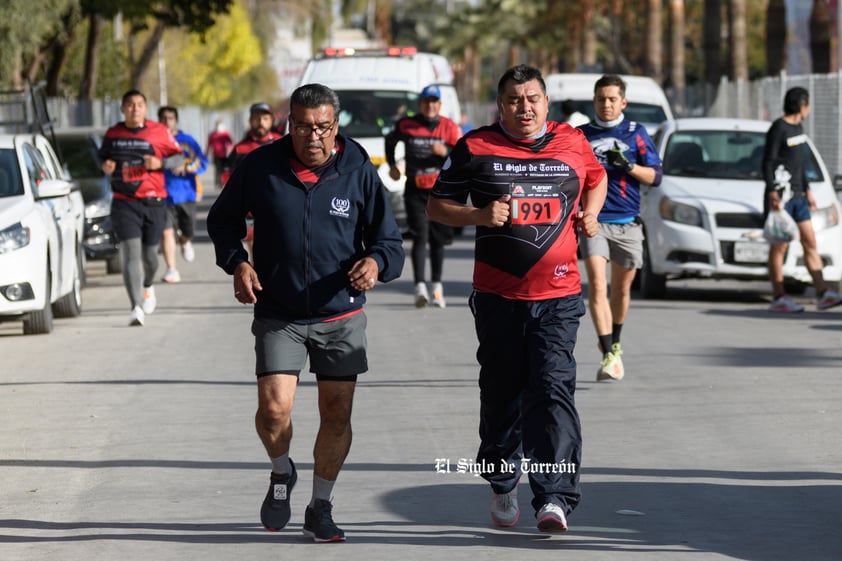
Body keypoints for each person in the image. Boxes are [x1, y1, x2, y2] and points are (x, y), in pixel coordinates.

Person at [207, 83, 404, 543]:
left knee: (336, 413)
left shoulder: (357, 167)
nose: (313, 137)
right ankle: (281, 473)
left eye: (323, 127)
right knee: (274, 411)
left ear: (336, 125)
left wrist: (376, 263)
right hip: (280, 311)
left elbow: (389, 241)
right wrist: (237, 263)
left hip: (340, 314)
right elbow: (222, 223)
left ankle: (321, 505)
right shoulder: (260, 166)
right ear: (287, 124)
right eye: (302, 127)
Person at [427, 65, 607, 533]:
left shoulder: (573, 141)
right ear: (500, 105)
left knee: (552, 391)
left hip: (560, 296)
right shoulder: (474, 146)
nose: (524, 108)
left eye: (532, 99)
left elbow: (597, 177)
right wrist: (479, 214)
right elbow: (436, 205)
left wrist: (590, 213)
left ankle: (554, 498)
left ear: (546, 103)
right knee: (503, 395)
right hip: (498, 297)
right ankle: (504, 481)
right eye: (513, 100)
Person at [578, 74, 663, 382]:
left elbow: (656, 176)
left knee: (622, 289)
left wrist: (628, 166)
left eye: (613, 99)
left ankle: (615, 341)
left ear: (623, 102)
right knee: (598, 286)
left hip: (627, 224)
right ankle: (608, 353)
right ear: (594, 101)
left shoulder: (636, 133)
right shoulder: (581, 135)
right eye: (601, 99)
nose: (607, 104)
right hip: (594, 221)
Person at [98, 89, 184, 326]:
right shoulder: (113, 134)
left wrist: (161, 162)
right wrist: (105, 166)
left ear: (145, 109)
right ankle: (135, 306)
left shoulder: (159, 131)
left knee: (150, 258)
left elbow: (179, 158)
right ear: (122, 108)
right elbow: (102, 158)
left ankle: (147, 285)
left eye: (139, 105)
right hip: (124, 202)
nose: (135, 109)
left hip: (154, 202)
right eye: (130, 105)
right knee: (131, 254)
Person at [763, 87, 842, 312]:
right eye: (807, 104)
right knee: (780, 246)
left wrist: (807, 190)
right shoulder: (778, 128)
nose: (809, 109)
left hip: (799, 196)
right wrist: (772, 192)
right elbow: (767, 162)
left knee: (810, 241)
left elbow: (799, 164)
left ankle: (822, 292)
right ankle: (779, 295)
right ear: (801, 105)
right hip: (782, 197)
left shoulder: (798, 128)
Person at [385, 84, 462, 307]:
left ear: (439, 105)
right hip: (415, 191)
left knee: (438, 240)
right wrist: (392, 165)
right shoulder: (407, 124)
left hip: (441, 192)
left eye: (434, 102)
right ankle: (420, 287)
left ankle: (437, 285)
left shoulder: (449, 127)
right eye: (427, 102)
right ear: (420, 104)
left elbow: (463, 156)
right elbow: (390, 141)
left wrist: (446, 152)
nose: (430, 106)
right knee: (420, 236)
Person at [223, 103, 283, 258]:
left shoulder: (283, 144)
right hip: (251, 209)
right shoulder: (240, 149)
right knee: (257, 250)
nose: (261, 122)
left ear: (272, 120)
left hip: (279, 204)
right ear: (250, 121)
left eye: (265, 118)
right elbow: (227, 176)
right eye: (257, 118)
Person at [157, 106, 208, 283]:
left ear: (176, 120)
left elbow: (202, 162)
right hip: (163, 194)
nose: (167, 121)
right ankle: (171, 269)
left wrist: (185, 167)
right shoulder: (156, 142)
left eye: (170, 118)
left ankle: (185, 241)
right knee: (166, 231)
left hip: (186, 194)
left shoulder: (187, 141)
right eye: (163, 118)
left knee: (189, 229)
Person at [206, 120, 233, 190]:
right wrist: (206, 153)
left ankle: (223, 182)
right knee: (218, 169)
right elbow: (209, 144)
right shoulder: (213, 135)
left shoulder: (225, 134)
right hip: (216, 155)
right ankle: (218, 183)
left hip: (224, 154)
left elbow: (230, 142)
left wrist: (231, 150)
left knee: (224, 169)